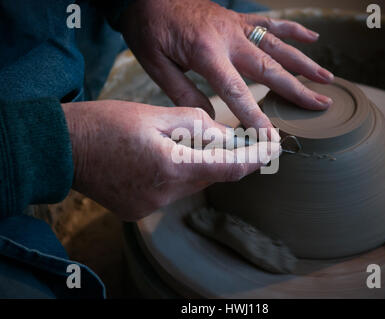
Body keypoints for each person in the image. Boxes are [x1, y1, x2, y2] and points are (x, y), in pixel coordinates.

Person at [0, 0, 333, 298]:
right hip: (15, 140)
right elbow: (41, 145)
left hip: (69, 15)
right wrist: (62, 146)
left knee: (259, 32)